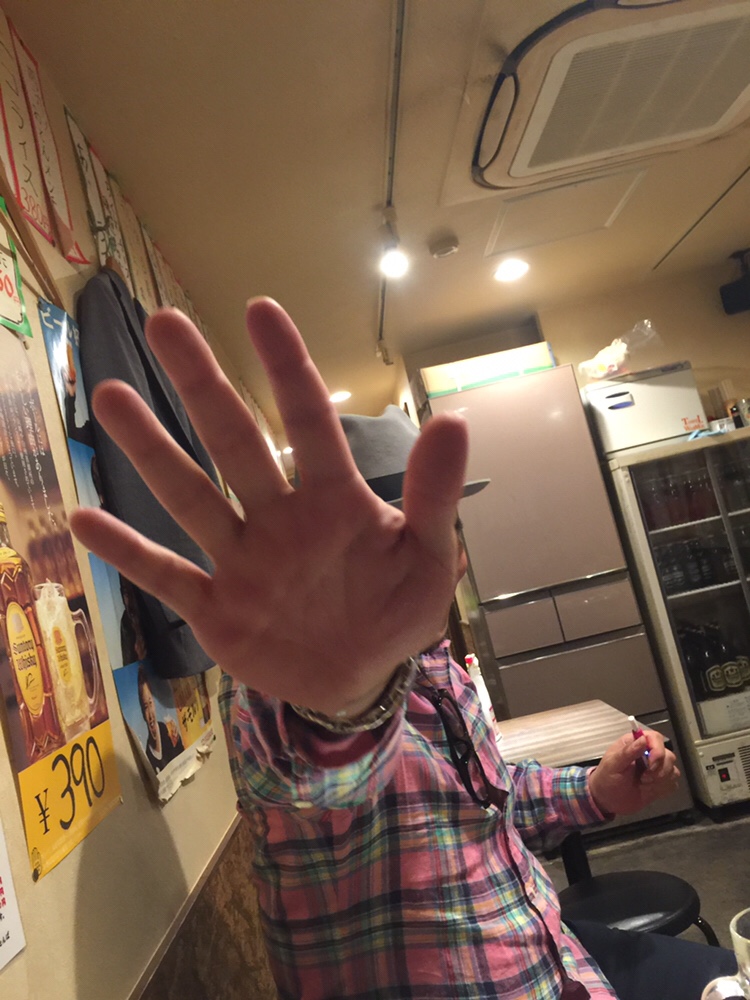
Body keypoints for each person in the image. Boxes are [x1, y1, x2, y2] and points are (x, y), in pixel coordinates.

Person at [70, 298, 737, 999]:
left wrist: (592, 791)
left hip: (554, 957)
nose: (450, 554)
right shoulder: (280, 684)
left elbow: (482, 805)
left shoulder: (438, 662)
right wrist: (348, 703)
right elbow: (321, 773)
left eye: (448, 528)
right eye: (408, 537)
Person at [136, 664, 184, 775]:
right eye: (145, 706)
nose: (150, 714)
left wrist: (178, 741)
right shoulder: (148, 756)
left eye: (150, 703)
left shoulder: (166, 730)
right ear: (142, 711)